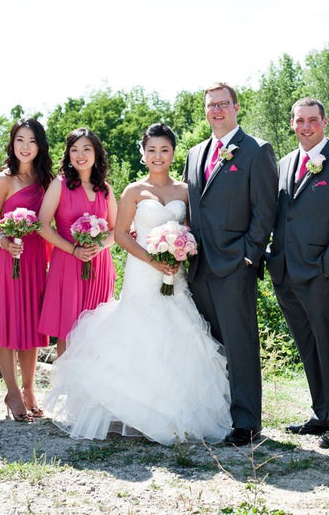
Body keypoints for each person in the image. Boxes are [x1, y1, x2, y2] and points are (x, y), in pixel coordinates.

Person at [43, 123, 232, 444]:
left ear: (173, 153)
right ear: (143, 153)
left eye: (164, 150)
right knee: (138, 329)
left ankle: (171, 411)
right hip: (142, 273)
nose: (158, 156)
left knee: (176, 331)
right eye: (152, 150)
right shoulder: (133, 190)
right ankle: (128, 409)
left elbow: (194, 230)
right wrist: (151, 258)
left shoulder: (186, 191)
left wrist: (179, 251)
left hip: (173, 272)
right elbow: (119, 234)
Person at [266, 98, 329, 449]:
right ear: (292, 124)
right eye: (299, 120)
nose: (305, 126)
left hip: (320, 274)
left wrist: (327, 269)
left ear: (324, 121)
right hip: (285, 271)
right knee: (307, 345)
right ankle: (321, 412)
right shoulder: (284, 163)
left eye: (312, 120)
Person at [183, 82, 277, 446]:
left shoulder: (255, 151)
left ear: (236, 107)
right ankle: (219, 413)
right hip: (199, 267)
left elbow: (265, 209)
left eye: (223, 104)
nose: (217, 110)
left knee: (240, 345)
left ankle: (247, 422)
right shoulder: (194, 154)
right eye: (211, 105)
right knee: (211, 344)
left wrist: (249, 255)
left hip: (236, 264)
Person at [0, 118, 53, 422]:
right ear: (12, 144)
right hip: (8, 256)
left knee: (32, 324)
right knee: (10, 323)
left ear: (40, 146)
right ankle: (11, 392)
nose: (25, 147)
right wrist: (4, 240)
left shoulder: (46, 181)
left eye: (32, 141)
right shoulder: (4, 179)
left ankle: (29, 390)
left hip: (36, 257)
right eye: (20, 140)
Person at [38, 128, 117, 359]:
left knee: (97, 329)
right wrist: (73, 249)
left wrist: (99, 246)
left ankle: (91, 389)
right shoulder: (59, 185)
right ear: (68, 155)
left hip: (99, 266)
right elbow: (42, 224)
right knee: (68, 329)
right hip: (67, 263)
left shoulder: (105, 189)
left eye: (86, 149)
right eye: (74, 149)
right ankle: (67, 389)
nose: (80, 154)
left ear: (96, 153)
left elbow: (116, 230)